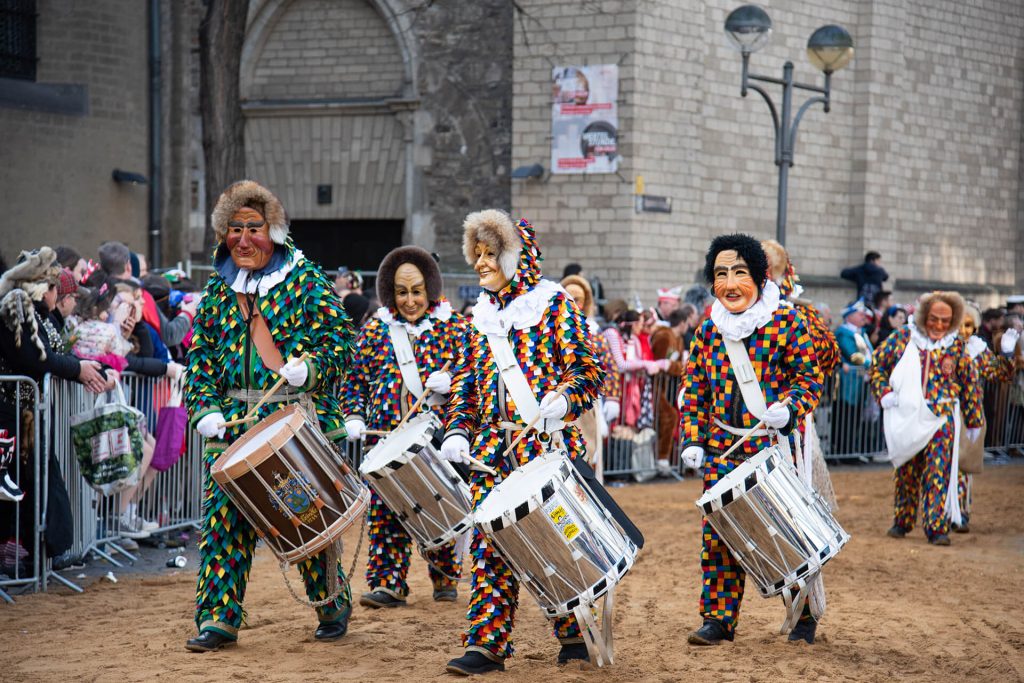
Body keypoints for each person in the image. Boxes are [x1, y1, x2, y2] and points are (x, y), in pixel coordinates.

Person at [183, 180, 356, 652]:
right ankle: (219, 618)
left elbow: (341, 342)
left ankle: (331, 601)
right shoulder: (218, 291)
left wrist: (310, 369)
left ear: (273, 231)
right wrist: (205, 409)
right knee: (224, 523)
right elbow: (200, 361)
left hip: (288, 421)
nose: (243, 239)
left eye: (253, 228)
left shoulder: (303, 279)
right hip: (230, 428)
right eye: (234, 229)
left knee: (302, 516)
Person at [439, 210, 603, 675]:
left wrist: (564, 398)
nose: (480, 263)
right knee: (490, 545)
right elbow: (467, 384)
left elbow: (589, 371)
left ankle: (575, 631)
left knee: (556, 542)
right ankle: (487, 644)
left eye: (491, 254)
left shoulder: (553, 305)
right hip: (493, 451)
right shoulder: (481, 316)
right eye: (478, 253)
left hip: (546, 447)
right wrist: (456, 428)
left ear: (517, 256)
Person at [679, 234, 823, 646]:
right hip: (723, 451)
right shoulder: (709, 330)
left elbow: (808, 380)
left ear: (759, 277)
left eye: (739, 272)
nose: (730, 282)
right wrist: (694, 439)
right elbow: (695, 391)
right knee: (720, 534)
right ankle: (719, 619)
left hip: (773, 447)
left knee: (785, 531)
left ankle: (802, 615)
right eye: (721, 273)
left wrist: (791, 407)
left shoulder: (788, 321)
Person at [340, 246, 467, 609]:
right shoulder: (375, 330)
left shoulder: (456, 328)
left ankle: (445, 573)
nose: (409, 300)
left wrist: (453, 380)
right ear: (389, 292)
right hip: (383, 440)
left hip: (433, 441)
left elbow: (475, 376)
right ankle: (387, 583)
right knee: (385, 513)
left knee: (437, 505)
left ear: (429, 288)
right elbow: (355, 381)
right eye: (401, 292)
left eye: (416, 291)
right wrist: (354, 415)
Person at [0, 247, 117, 571]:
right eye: (53, 288)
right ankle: (22, 557)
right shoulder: (16, 307)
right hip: (13, 412)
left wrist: (83, 367)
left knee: (37, 483)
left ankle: (40, 556)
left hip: (26, 411)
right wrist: (78, 370)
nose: (56, 295)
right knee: (21, 488)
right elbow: (34, 357)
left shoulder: (30, 312)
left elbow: (49, 355)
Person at [870, 291, 983, 546]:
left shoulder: (955, 346)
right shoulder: (902, 339)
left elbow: (969, 382)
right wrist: (883, 393)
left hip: (942, 418)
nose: (940, 326)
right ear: (923, 317)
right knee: (907, 471)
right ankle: (902, 520)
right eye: (934, 319)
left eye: (946, 320)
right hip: (908, 416)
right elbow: (876, 366)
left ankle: (936, 527)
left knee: (938, 472)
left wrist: (974, 419)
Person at [955, 302, 1017, 533]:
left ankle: (960, 512)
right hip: (942, 414)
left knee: (963, 466)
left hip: (969, 415)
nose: (964, 330)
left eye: (969, 324)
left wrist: (1007, 354)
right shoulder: (941, 347)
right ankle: (940, 513)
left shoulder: (977, 349)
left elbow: (1000, 373)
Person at [561, 273, 621, 481]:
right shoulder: (552, 332)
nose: (573, 303)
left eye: (577, 299)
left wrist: (612, 398)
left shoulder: (594, 334)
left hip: (586, 406)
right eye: (568, 298)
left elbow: (610, 368)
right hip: (559, 406)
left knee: (587, 453)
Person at [833, 299, 874, 453]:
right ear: (849, 316)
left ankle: (851, 450)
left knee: (856, 418)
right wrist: (872, 364)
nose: (863, 316)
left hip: (859, 382)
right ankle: (842, 450)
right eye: (859, 313)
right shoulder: (843, 332)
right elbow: (854, 355)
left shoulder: (861, 332)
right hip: (847, 383)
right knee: (845, 419)